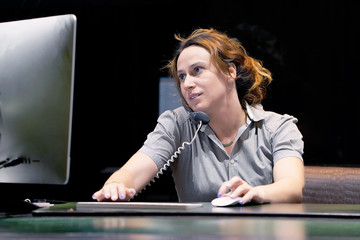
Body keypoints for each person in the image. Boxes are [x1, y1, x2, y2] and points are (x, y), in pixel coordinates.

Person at [92, 28, 304, 204]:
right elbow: (130, 173)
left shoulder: (277, 126)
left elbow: (292, 187)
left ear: (230, 71)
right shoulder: (176, 123)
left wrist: (257, 192)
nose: (187, 83)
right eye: (182, 76)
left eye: (197, 70)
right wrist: (115, 185)